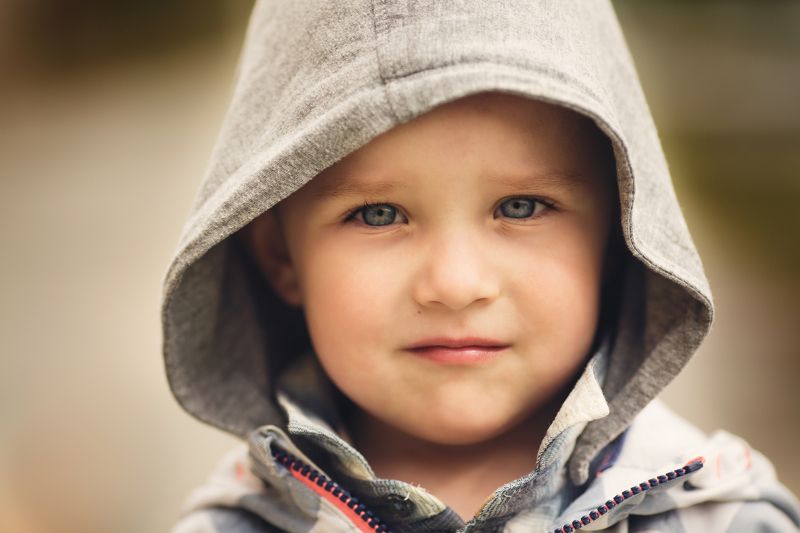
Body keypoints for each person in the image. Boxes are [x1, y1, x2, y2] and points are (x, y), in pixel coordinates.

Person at [161, 1, 800, 531]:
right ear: (281, 255)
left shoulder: (725, 518)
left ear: (618, 233)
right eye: (379, 214)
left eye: (520, 207)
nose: (456, 285)